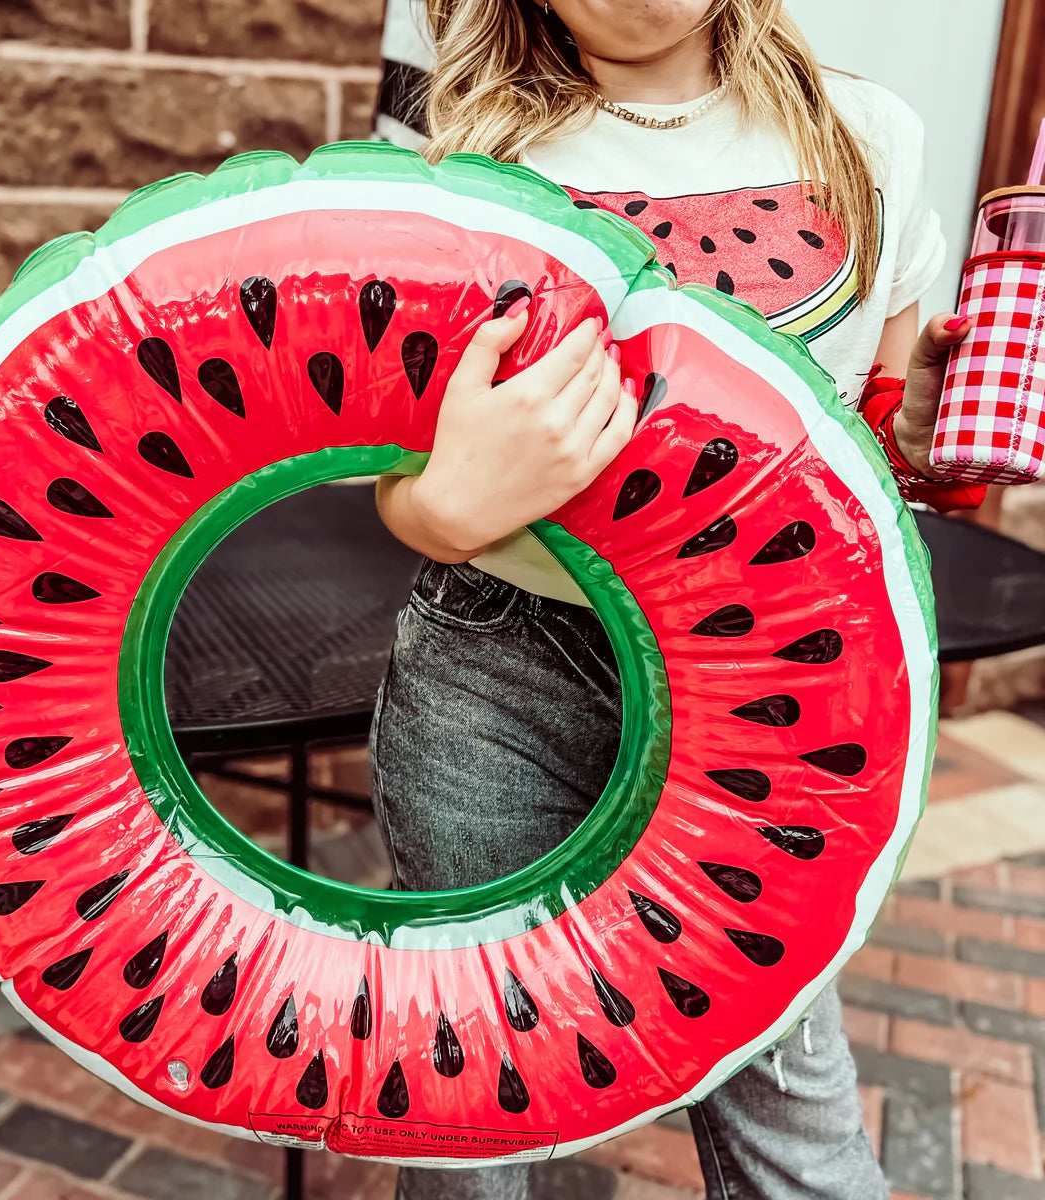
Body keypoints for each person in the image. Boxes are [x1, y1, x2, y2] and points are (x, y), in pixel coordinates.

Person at [370, 3, 980, 1198]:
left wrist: (940, 432)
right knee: (467, 1121)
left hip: (764, 686)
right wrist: (449, 506)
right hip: (495, 671)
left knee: (796, 1134)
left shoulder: (873, 139)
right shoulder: (457, 152)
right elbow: (398, 486)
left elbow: (881, 454)